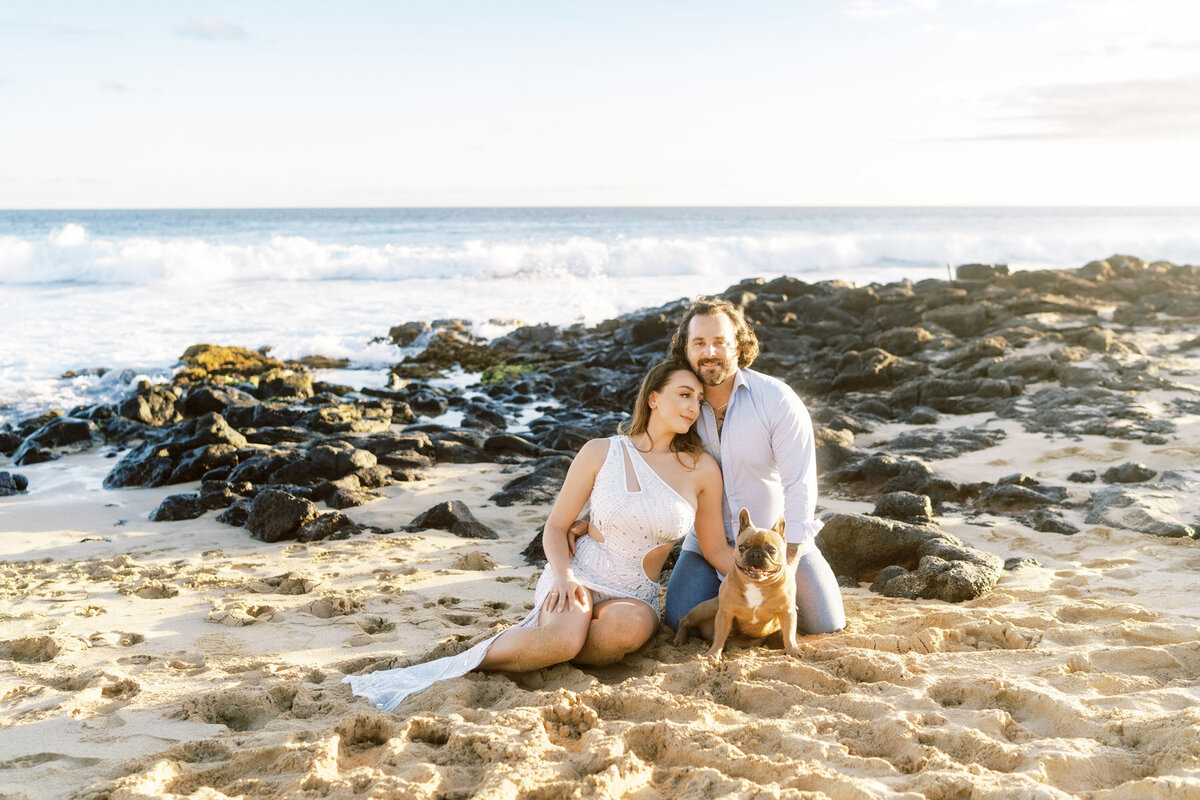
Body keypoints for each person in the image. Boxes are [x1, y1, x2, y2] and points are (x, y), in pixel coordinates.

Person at [345, 360, 725, 712]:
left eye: (699, 399)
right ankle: (482, 659)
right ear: (654, 398)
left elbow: (715, 548)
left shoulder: (702, 468)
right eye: (684, 394)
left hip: (634, 594)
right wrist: (563, 574)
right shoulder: (600, 451)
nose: (694, 406)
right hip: (579, 573)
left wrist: (776, 578)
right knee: (562, 639)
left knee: (619, 634)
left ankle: (550, 643)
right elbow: (558, 526)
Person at [662, 297, 846, 637]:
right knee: (677, 620)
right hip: (706, 547)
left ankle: (761, 611)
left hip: (775, 545)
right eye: (699, 343)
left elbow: (800, 486)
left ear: (739, 345)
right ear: (685, 350)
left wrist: (786, 564)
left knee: (826, 625)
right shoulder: (677, 406)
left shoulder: (777, 399)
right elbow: (648, 464)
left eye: (720, 341)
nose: (710, 352)